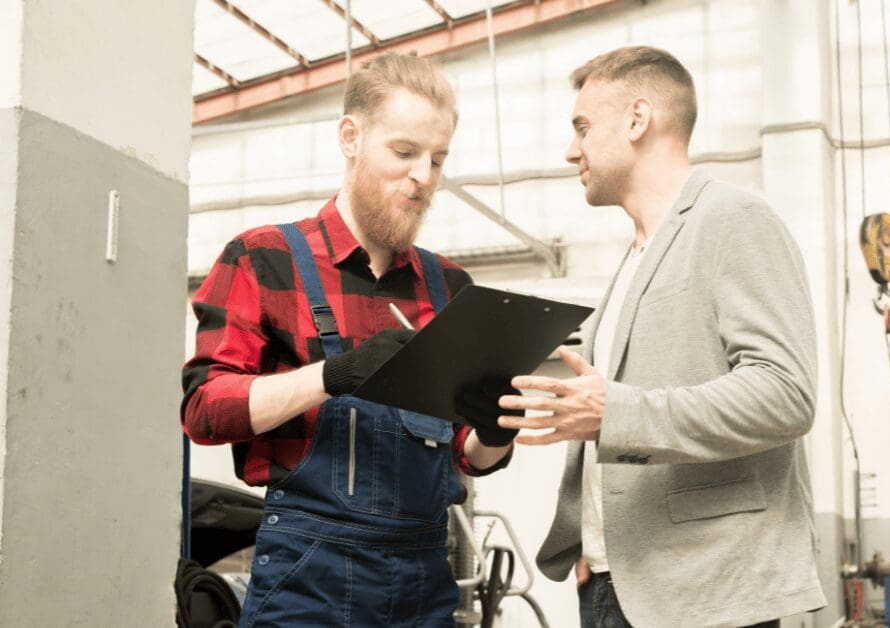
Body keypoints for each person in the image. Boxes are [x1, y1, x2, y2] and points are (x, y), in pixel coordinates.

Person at [181, 52, 517, 627]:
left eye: (438, 159)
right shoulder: (264, 259)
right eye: (405, 153)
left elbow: (467, 453)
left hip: (424, 577)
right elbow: (204, 411)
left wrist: (495, 432)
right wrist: (330, 377)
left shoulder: (451, 288)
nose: (424, 177)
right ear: (350, 137)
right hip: (308, 576)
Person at [496, 46, 827, 627]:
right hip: (617, 586)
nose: (571, 149)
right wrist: (590, 544)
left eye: (582, 126)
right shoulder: (634, 259)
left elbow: (786, 394)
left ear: (637, 119)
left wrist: (616, 412)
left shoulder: (733, 220)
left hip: (704, 592)